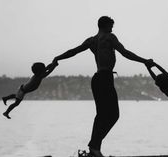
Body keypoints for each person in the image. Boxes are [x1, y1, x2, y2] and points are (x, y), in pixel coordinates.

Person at [52, 16, 154, 157]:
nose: (112, 29)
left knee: (101, 115)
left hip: (97, 79)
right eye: (111, 26)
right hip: (105, 78)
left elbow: (73, 51)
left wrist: (58, 57)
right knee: (113, 115)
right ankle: (94, 146)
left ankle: (94, 149)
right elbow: (125, 53)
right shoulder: (109, 37)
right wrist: (144, 61)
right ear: (105, 26)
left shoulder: (91, 40)